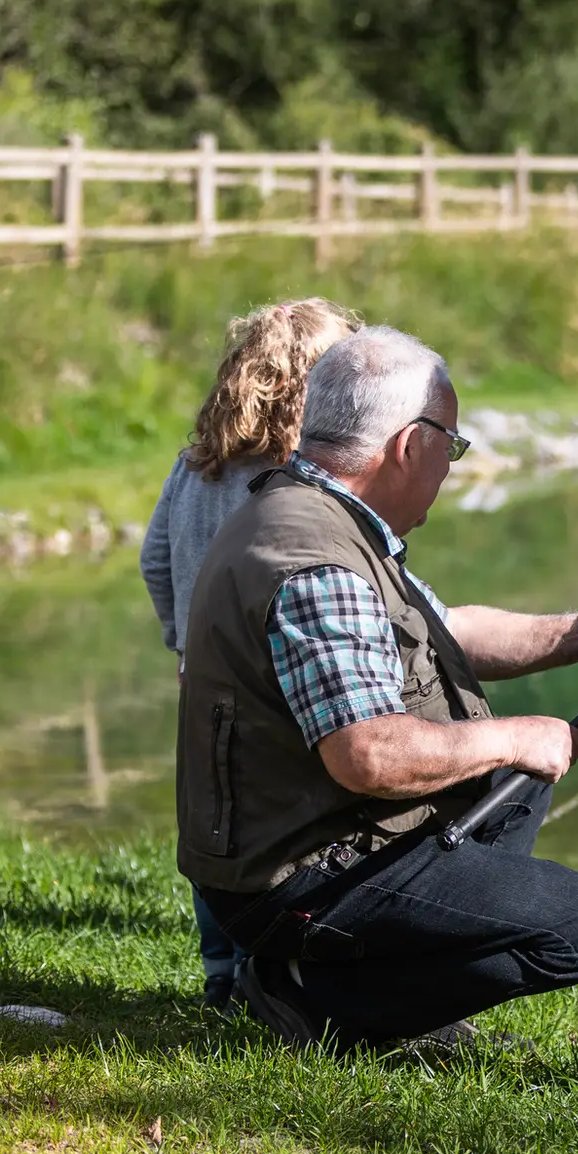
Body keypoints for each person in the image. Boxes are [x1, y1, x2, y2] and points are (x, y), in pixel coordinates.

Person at [177, 324, 578, 1051]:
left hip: (298, 842)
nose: (451, 463)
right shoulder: (321, 562)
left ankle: (379, 991)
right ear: (410, 445)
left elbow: (452, 630)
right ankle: (319, 1002)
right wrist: (512, 732)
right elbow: (368, 757)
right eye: (452, 441)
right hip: (295, 878)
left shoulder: (312, 511)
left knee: (513, 777)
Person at [141, 298, 361, 1010]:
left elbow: (153, 559)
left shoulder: (196, 466)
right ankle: (273, 969)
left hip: (201, 676)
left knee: (214, 819)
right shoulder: (295, 481)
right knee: (280, 820)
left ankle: (220, 971)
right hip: (278, 679)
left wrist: (183, 639)